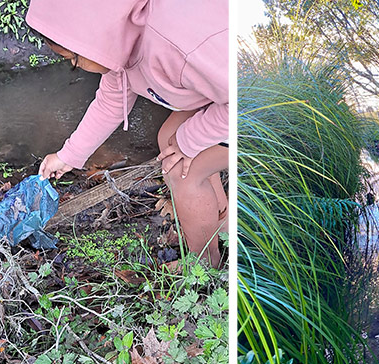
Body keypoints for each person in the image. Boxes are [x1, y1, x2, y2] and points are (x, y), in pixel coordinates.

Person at [26, 0, 228, 268]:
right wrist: (68, 156)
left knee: (182, 170)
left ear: (91, 34)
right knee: (169, 139)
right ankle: (220, 221)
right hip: (218, 93)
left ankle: (204, 264)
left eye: (74, 59)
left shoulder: (176, 47)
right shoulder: (120, 35)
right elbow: (111, 102)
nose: (77, 65)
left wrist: (189, 142)